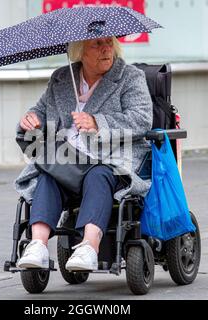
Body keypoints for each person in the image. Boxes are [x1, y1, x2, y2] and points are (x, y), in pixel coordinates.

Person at [14, 36, 153, 271]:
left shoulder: (129, 77)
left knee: (98, 175)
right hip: (67, 159)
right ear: (80, 51)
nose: (106, 48)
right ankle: (37, 245)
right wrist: (32, 120)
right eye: (96, 44)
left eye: (109, 42)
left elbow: (141, 119)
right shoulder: (61, 78)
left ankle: (89, 247)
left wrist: (98, 123)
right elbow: (40, 110)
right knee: (49, 174)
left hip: (110, 158)